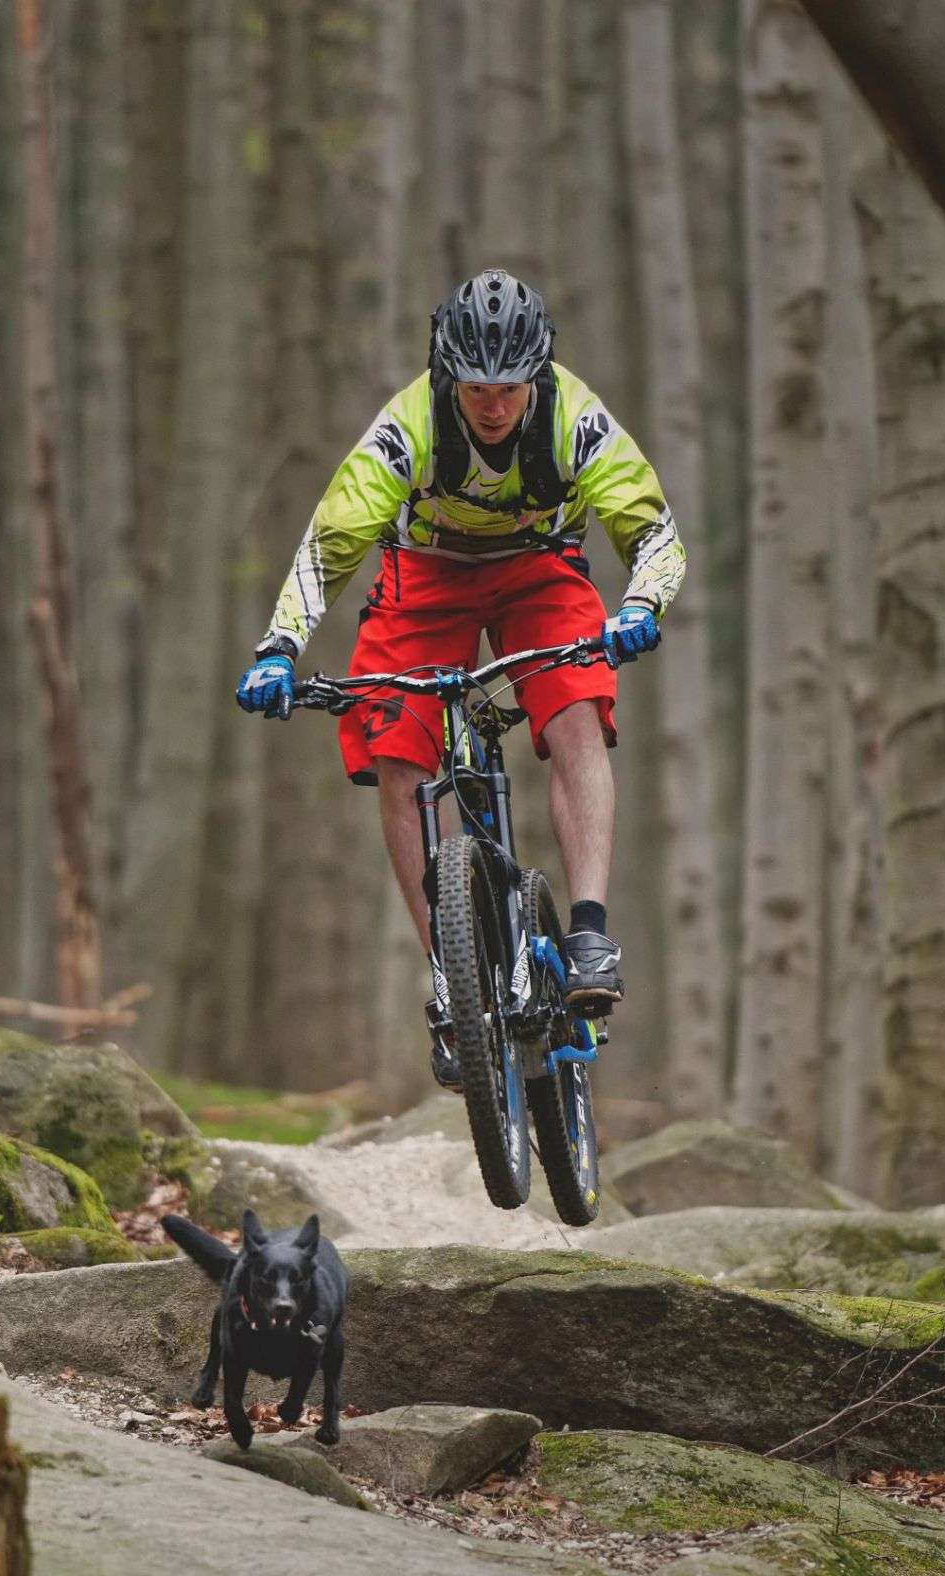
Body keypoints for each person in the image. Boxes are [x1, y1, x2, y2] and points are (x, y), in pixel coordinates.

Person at [233, 269, 686, 1089]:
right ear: (448, 374)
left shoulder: (575, 420)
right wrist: (279, 648)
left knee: (577, 706)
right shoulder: (406, 428)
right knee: (394, 742)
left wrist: (642, 604)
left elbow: (652, 530)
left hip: (541, 573)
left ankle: (587, 931)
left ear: (537, 374)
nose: (495, 406)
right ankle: (453, 981)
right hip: (426, 576)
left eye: (511, 388)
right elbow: (330, 543)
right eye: (477, 387)